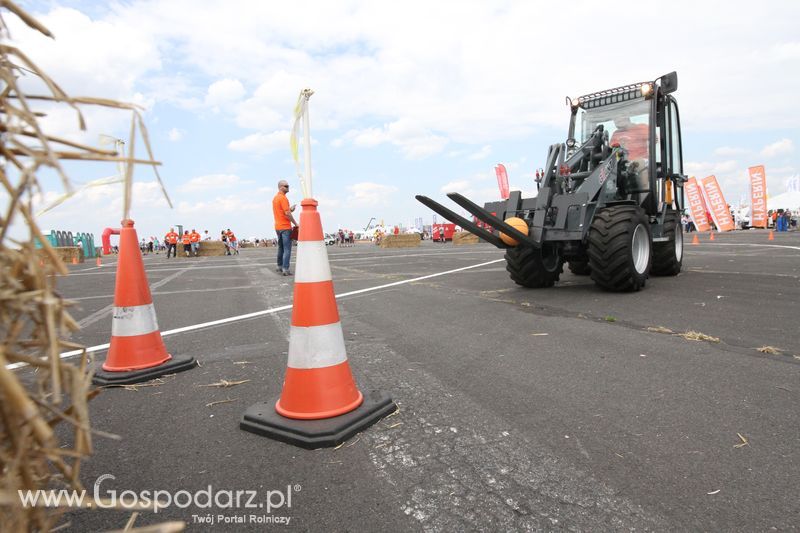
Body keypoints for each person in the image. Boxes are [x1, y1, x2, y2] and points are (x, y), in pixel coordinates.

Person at [272, 180, 298, 276]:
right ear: (281, 187)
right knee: (287, 249)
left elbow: (283, 212)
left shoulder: (275, 198)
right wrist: (295, 223)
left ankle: (279, 266)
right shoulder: (283, 198)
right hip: (285, 227)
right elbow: (287, 214)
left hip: (278, 227)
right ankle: (285, 269)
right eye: (286, 186)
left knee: (281, 248)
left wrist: (290, 209)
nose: (288, 188)